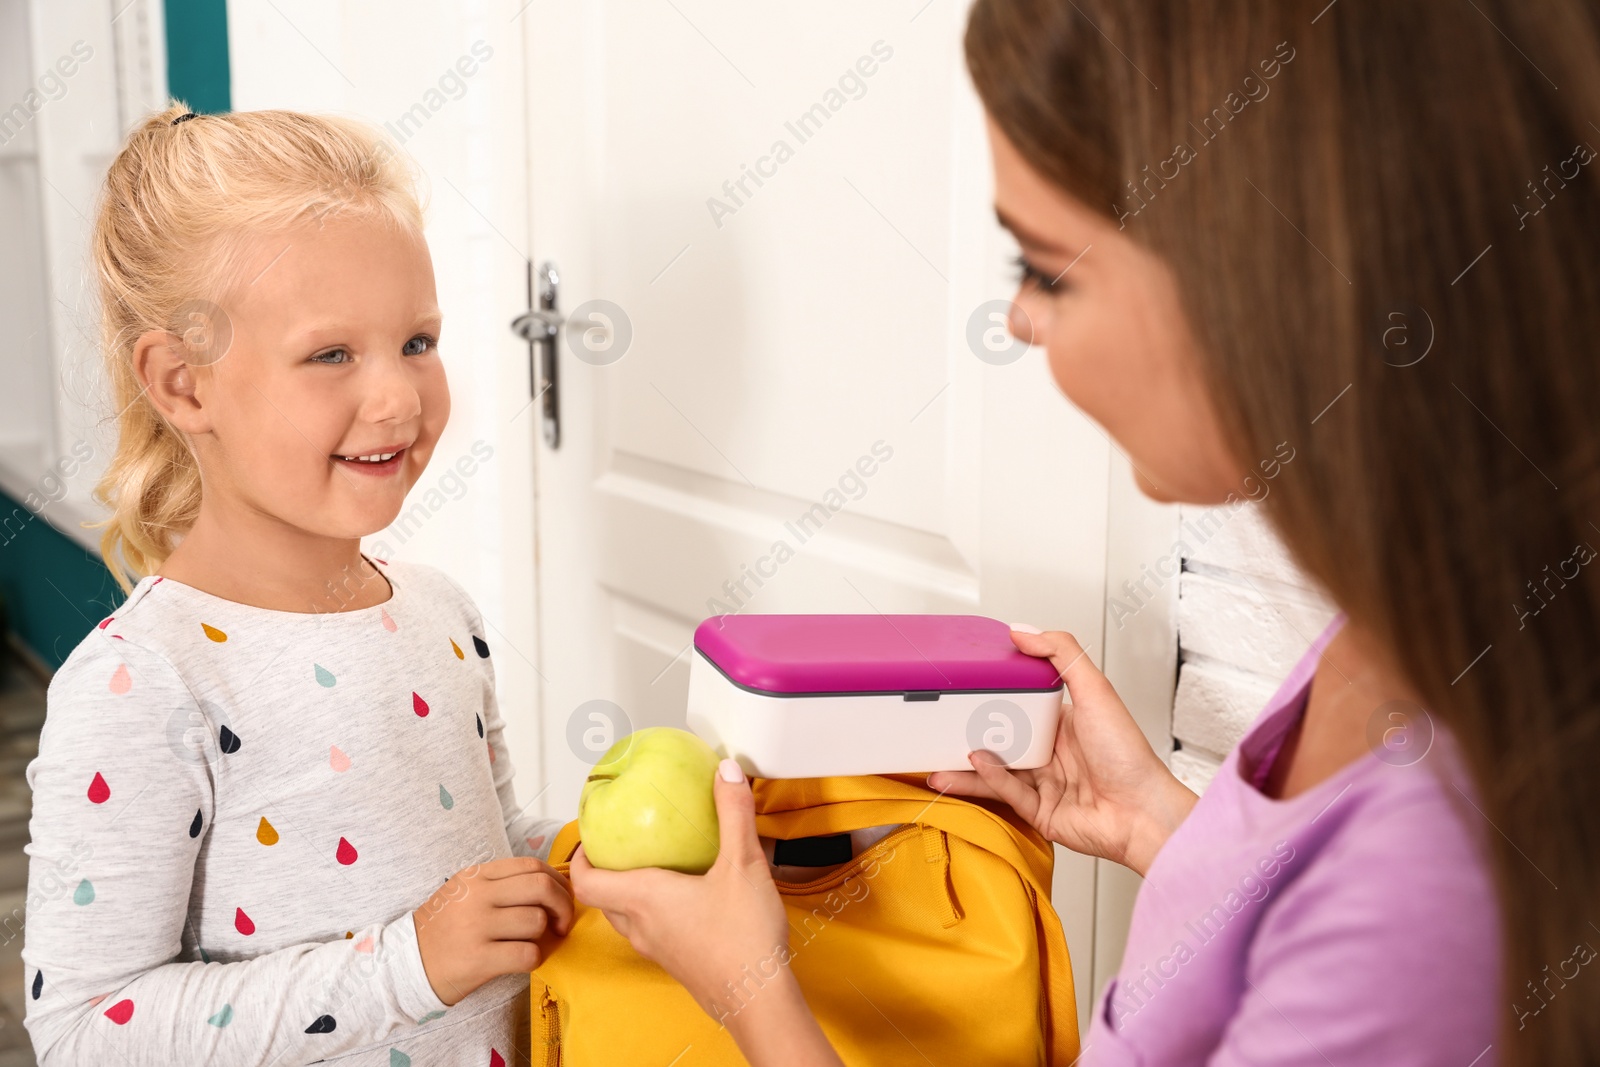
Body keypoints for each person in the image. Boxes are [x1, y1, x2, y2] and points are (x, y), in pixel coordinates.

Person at [572, 2, 1600, 1064]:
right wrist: (1165, 827)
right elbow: (1299, 920)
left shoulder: (1423, 888)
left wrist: (752, 992)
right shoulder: (1392, 643)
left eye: (1047, 267)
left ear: (1257, 290)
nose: (1018, 316)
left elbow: (1361, 926)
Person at [22, 105, 574, 1065]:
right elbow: (83, 1029)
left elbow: (486, 850)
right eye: (331, 354)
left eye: (417, 341)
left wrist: (580, 854)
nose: (400, 396)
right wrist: (408, 964)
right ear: (184, 384)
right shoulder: (143, 682)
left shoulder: (439, 609)